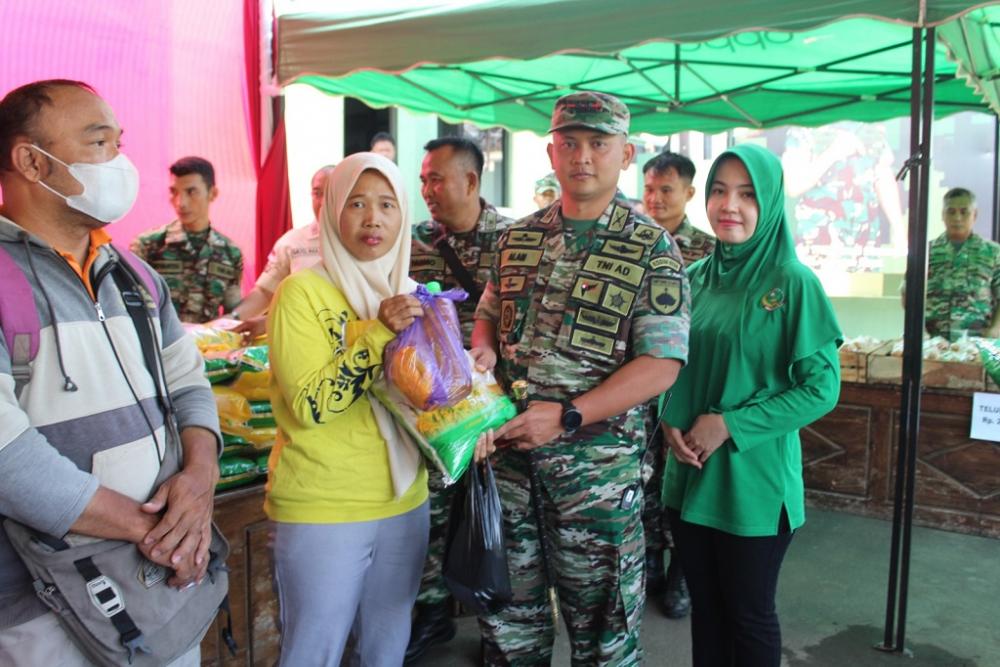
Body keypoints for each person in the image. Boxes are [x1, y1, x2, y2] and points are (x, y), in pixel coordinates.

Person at [0, 79, 222, 665]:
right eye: (99, 143)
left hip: (161, 587)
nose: (118, 163)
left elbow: (189, 383)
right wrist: (159, 531)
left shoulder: (134, 274)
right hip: (45, 609)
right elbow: (6, 455)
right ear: (30, 160)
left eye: (119, 144)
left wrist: (199, 482)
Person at [471, 91, 690, 665]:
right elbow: (489, 313)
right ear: (551, 150)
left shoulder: (652, 249)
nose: (583, 156)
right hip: (512, 473)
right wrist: (482, 351)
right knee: (509, 632)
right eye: (570, 143)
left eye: (599, 143)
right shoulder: (516, 239)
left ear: (627, 153)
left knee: (603, 639)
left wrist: (568, 415)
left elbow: (662, 364)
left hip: (597, 484)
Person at [266, 152, 499, 666]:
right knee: (313, 651)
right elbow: (311, 405)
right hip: (325, 505)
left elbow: (435, 401)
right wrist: (378, 334)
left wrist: (474, 405)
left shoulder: (416, 295)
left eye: (388, 205)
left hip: (403, 502)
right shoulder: (300, 294)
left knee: (387, 648)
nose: (373, 218)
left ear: (403, 216)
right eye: (357, 203)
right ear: (331, 212)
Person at [661, 143, 842, 667]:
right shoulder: (694, 279)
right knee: (707, 614)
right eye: (719, 191)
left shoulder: (792, 282)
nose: (728, 205)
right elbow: (671, 367)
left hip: (754, 487)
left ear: (771, 203)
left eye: (746, 194)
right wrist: (669, 421)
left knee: (748, 615)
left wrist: (731, 425)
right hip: (689, 479)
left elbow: (821, 388)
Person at [405, 137, 514, 664]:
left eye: (437, 179)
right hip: (432, 410)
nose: (427, 190)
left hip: (495, 407)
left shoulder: (514, 240)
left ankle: (499, 627)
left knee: (497, 517)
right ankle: (431, 614)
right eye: (423, 179)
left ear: (471, 182)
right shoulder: (414, 241)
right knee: (430, 511)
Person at [638, 150, 717, 618]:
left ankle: (682, 578)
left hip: (688, 390)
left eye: (666, 189)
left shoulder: (708, 250)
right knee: (642, 481)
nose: (655, 198)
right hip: (638, 392)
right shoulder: (629, 242)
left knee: (683, 481)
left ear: (688, 193)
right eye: (649, 188)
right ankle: (649, 566)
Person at [130, 156, 244, 323]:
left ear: (212, 193)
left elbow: (232, 316)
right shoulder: (149, 245)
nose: (180, 202)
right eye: (174, 192)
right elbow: (133, 306)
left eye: (191, 192)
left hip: (208, 346)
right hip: (162, 345)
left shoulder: (230, 253)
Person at [230, 164, 335, 338]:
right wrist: (232, 319)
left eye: (331, 193)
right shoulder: (292, 243)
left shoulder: (365, 242)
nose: (323, 201)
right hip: (302, 343)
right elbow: (265, 292)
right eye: (317, 193)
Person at [923, 188, 1000, 340]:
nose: (957, 218)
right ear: (943, 215)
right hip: (933, 342)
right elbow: (909, 294)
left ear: (975, 215)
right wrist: (920, 331)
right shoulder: (925, 252)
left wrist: (996, 328)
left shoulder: (993, 252)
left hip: (979, 342)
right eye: (951, 212)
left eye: (964, 212)